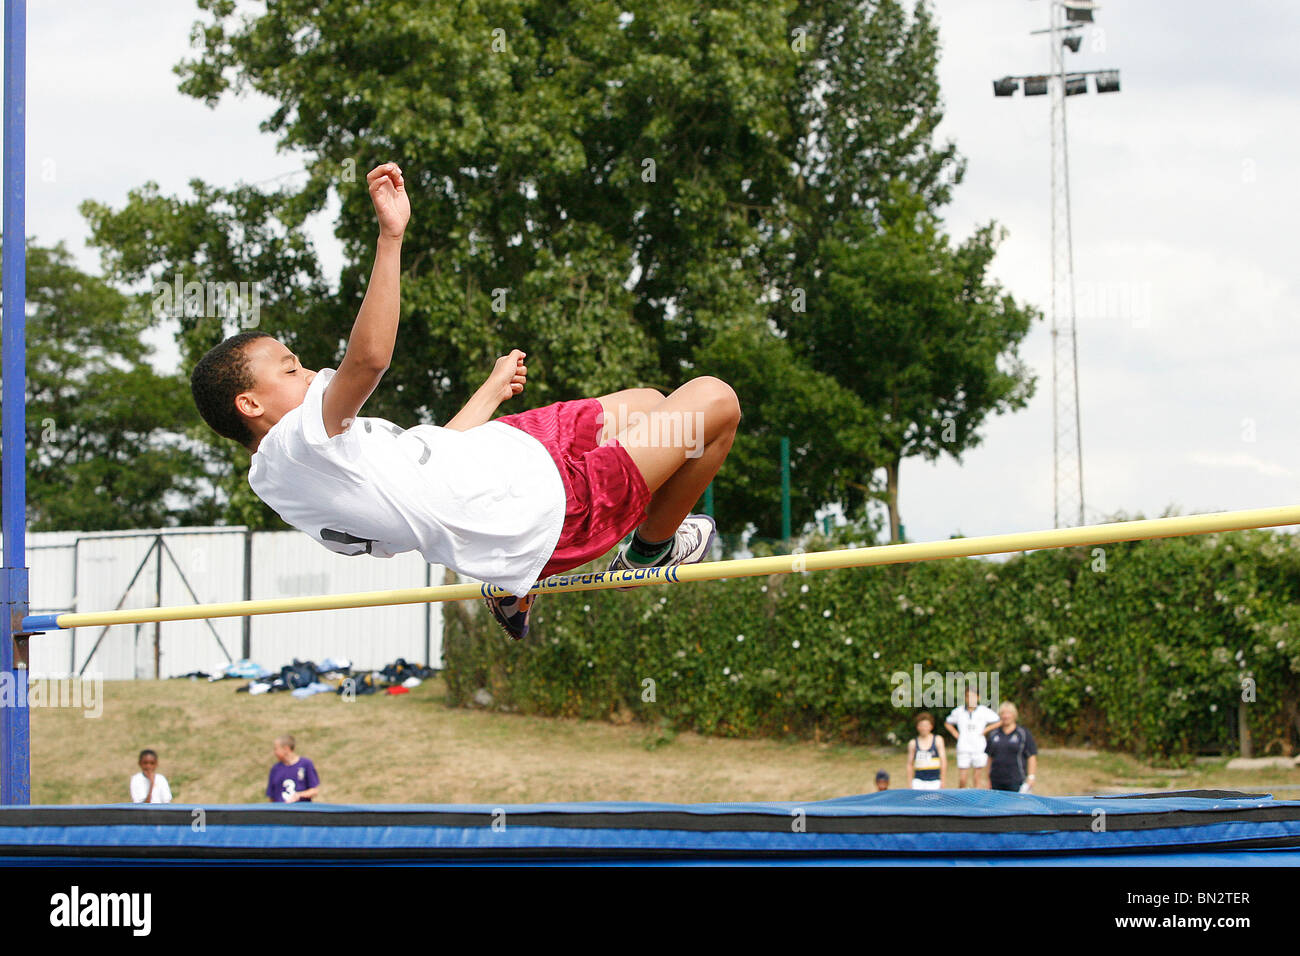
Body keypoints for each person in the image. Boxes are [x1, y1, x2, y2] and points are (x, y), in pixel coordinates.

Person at [190, 163, 740, 640]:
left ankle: (509, 584)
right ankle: (651, 549)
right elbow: (369, 360)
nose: (308, 373)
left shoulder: (296, 472)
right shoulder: (296, 441)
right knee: (714, 402)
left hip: (512, 456)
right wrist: (390, 237)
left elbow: (434, 467)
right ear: (250, 405)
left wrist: (492, 390)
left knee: (646, 403)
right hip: (546, 509)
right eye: (290, 369)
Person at [944, 687, 1000, 789]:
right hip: (963, 747)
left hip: (979, 746)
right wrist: (955, 733)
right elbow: (948, 722)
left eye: (973, 696)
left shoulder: (984, 711)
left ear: (978, 697)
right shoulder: (959, 711)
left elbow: (998, 721)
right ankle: (961, 800)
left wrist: (986, 730)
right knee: (963, 779)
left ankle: (975, 802)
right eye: (968, 696)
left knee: (977, 778)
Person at [984, 702, 1038, 793]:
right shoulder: (993, 734)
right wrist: (988, 779)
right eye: (1003, 713)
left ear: (1014, 715)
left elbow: (1031, 756)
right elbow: (990, 757)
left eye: (1008, 713)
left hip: (1016, 780)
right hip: (996, 781)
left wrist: (1031, 777)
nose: (1006, 716)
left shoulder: (1023, 733)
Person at [267, 735, 321, 804]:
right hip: (281, 811)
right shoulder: (275, 769)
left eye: (276, 749)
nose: (274, 752)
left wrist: (299, 795)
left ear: (286, 749)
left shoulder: (305, 764)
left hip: (300, 811)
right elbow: (272, 797)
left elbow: (314, 790)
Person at [906, 712, 946, 790]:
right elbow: (909, 764)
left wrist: (943, 780)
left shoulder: (938, 740)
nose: (924, 728)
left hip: (935, 781)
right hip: (918, 781)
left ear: (931, 726)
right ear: (917, 727)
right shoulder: (913, 743)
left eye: (926, 725)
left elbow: (943, 761)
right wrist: (909, 783)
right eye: (921, 725)